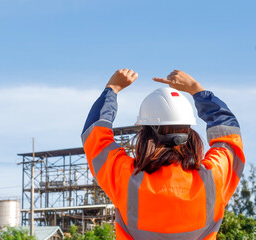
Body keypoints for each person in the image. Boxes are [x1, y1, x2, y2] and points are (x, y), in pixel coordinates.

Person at [81, 69, 245, 240]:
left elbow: (94, 135)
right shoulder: (213, 178)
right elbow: (229, 133)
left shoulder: (126, 177)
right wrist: (196, 89)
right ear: (190, 132)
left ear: (145, 134)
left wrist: (112, 88)